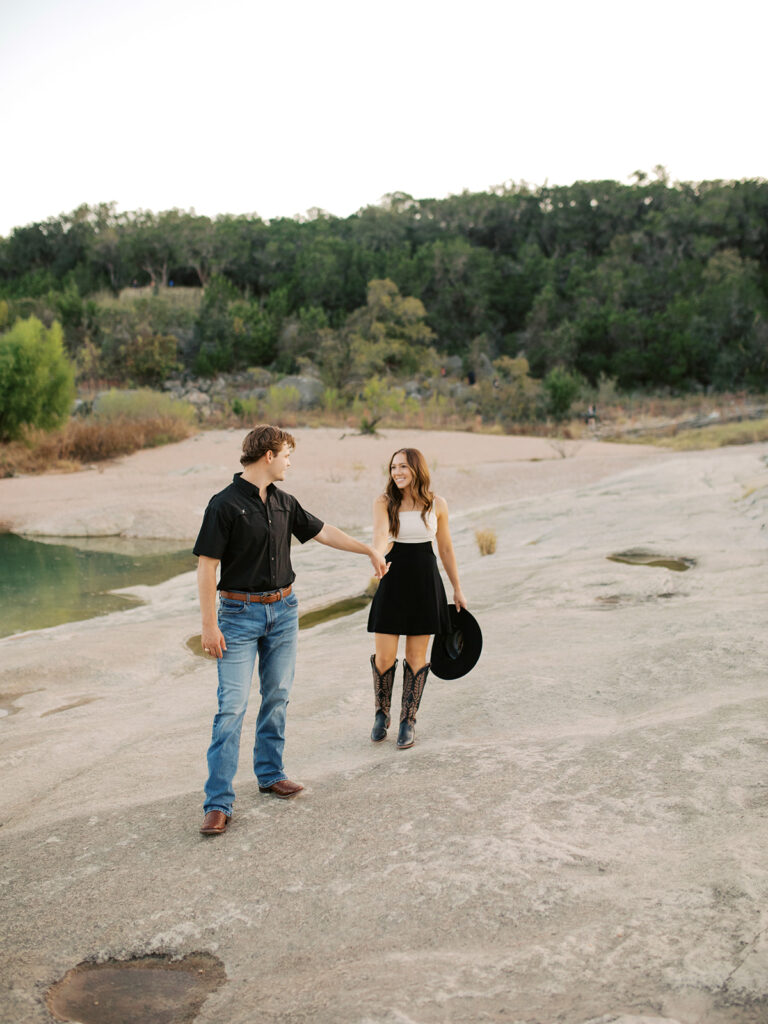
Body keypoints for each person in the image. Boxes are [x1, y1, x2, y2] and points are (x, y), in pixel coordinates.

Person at [194, 425, 388, 836]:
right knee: (231, 708)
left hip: (283, 611)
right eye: (286, 455)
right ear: (268, 455)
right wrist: (209, 625)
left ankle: (270, 773)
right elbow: (207, 566)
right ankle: (218, 802)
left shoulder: (285, 502)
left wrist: (368, 549)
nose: (289, 462)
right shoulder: (223, 505)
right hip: (238, 615)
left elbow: (324, 532)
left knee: (278, 695)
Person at [367, 448, 467, 749]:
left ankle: (407, 719)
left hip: (425, 583)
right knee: (384, 656)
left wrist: (457, 588)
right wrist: (379, 555)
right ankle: (381, 713)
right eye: (393, 467)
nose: (397, 472)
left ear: (417, 470)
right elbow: (380, 537)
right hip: (393, 579)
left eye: (403, 467)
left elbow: (446, 549)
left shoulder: (437, 504)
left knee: (416, 657)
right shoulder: (384, 502)